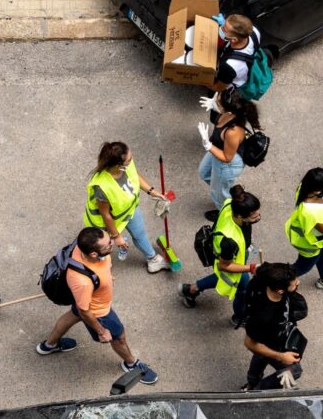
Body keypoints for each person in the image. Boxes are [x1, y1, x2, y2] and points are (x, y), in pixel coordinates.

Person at [37, 227, 159, 384]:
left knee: (73, 315)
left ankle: (49, 345)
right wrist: (101, 331)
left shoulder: (82, 247)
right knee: (119, 338)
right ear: (93, 254)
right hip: (98, 311)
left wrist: (105, 278)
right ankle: (131, 364)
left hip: (85, 299)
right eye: (108, 244)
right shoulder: (82, 282)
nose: (112, 244)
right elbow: (85, 311)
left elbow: (80, 308)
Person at [179, 185, 261, 326]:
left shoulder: (231, 204)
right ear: (240, 216)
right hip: (230, 260)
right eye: (254, 215)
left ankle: (191, 289)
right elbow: (224, 266)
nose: (258, 216)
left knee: (226, 279)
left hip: (236, 256)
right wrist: (251, 267)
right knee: (242, 290)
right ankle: (239, 318)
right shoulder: (229, 242)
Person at [84, 142, 170, 273]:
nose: (132, 160)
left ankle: (153, 260)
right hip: (105, 223)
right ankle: (101, 267)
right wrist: (116, 236)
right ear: (119, 165)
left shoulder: (126, 165)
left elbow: (135, 175)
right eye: (129, 159)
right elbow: (105, 215)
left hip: (129, 210)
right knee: (105, 247)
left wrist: (152, 191)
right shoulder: (102, 186)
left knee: (140, 234)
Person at [197, 87, 261, 220]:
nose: (215, 99)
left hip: (227, 164)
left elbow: (227, 158)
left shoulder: (232, 132)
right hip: (218, 150)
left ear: (228, 111)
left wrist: (208, 145)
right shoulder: (230, 111)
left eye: (217, 101)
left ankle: (225, 212)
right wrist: (214, 106)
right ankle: (226, 190)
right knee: (204, 173)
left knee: (218, 193)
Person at [242, 262, 305, 391]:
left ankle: (252, 382)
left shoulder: (270, 277)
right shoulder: (262, 316)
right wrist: (281, 356)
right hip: (269, 342)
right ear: (280, 290)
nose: (298, 283)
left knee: (260, 356)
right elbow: (250, 343)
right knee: (294, 370)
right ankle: (256, 391)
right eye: (294, 283)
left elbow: (261, 268)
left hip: (277, 335)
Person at [211, 14, 262, 93]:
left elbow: (219, 87)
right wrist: (225, 25)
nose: (220, 28)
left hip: (230, 83)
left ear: (234, 40)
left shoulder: (229, 65)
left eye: (224, 29)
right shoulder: (254, 31)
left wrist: (201, 78)